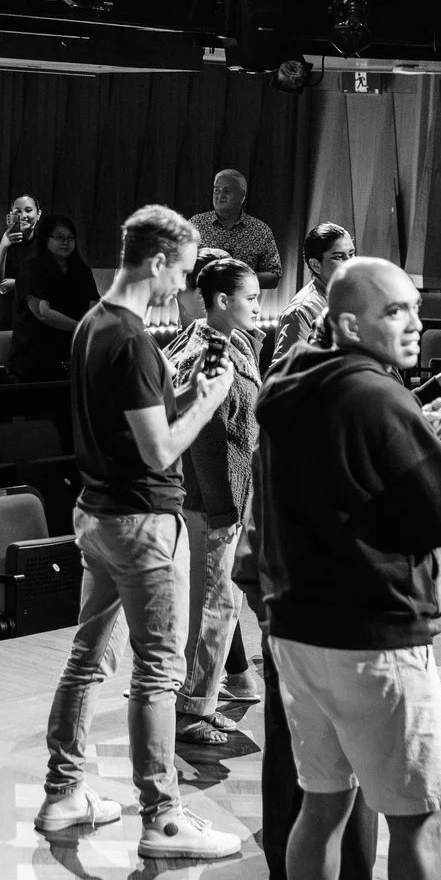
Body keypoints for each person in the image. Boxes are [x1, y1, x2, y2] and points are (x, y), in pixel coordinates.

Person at [257, 256, 441, 880]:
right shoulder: (377, 394)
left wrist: (415, 426)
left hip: (298, 633)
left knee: (321, 805)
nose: (415, 323)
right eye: (397, 311)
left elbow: (342, 483)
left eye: (416, 308)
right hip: (375, 638)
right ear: (351, 322)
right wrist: (428, 438)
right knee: (416, 822)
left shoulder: (290, 382)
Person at [35, 204, 241, 861]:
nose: (183, 287)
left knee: (87, 657)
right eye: (180, 272)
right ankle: (163, 818)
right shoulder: (131, 339)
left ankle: (64, 793)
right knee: (158, 671)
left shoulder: (93, 325)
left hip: (97, 514)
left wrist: (180, 391)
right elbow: (158, 451)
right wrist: (209, 401)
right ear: (156, 261)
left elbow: (134, 419)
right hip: (141, 522)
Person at [168, 254, 266, 748]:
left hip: (226, 497)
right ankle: (191, 710)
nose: (258, 305)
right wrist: (224, 509)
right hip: (213, 501)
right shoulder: (208, 353)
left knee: (219, 605)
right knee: (214, 606)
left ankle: (200, 701)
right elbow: (207, 438)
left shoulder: (227, 342)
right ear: (223, 301)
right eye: (251, 297)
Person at [12, 212, 98, 383]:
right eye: (59, 237)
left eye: (70, 238)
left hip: (76, 351)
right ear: (46, 239)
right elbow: (43, 313)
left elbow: (94, 303)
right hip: (37, 356)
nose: (66, 242)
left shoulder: (82, 270)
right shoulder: (31, 269)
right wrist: (81, 328)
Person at [269, 222, 353, 373]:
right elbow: (285, 375)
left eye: (351, 254)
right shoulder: (301, 311)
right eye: (339, 257)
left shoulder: (355, 296)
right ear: (315, 265)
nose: (350, 263)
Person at [191, 168, 284, 287]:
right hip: (200, 297)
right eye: (216, 190)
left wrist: (237, 279)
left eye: (226, 191)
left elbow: (274, 276)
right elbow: (177, 262)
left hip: (242, 297)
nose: (220, 196)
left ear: (242, 197)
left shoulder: (260, 230)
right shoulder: (196, 224)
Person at [0, 195, 41, 357]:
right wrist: (4, 244)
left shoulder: (45, 245)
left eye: (28, 210)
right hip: (6, 312)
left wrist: (16, 284)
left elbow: (49, 281)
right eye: (18, 211)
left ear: (38, 214)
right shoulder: (1, 242)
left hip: (36, 313)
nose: (23, 215)